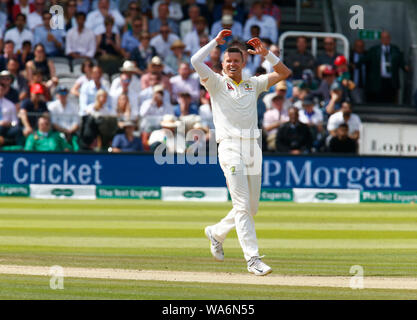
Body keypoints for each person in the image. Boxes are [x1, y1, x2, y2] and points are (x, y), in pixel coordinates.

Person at [191, 29, 291, 275]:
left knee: (251, 207)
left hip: (253, 149)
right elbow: (194, 61)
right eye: (228, 61)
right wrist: (215, 41)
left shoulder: (253, 83)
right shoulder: (214, 82)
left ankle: (216, 232)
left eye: (236, 61)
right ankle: (253, 259)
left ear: (244, 62)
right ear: (222, 64)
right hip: (229, 147)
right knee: (243, 205)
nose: (232, 64)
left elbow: (284, 73)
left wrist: (267, 54)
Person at [357, 30, 408, 104]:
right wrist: (355, 65)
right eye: (383, 38)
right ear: (381, 39)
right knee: (378, 100)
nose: (385, 40)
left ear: (390, 38)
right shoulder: (374, 50)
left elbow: (400, 61)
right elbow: (365, 60)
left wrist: (405, 67)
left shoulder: (395, 49)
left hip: (391, 80)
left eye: (387, 37)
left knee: (390, 100)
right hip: (378, 80)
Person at [0, 83, 21, 148]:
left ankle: (19, 150)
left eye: (1, 90)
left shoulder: (10, 104)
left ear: (4, 91)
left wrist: (10, 124)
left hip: (7, 128)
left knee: (18, 130)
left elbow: (15, 121)